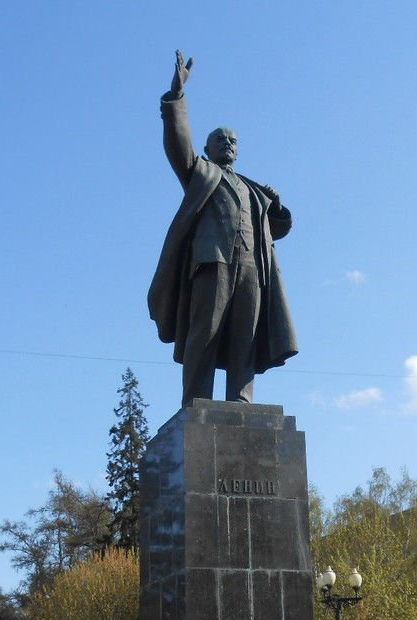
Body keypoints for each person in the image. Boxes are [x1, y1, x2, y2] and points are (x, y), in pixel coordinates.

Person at [149, 51, 298, 407]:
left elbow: (277, 228)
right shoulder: (201, 173)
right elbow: (177, 145)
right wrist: (177, 96)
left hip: (252, 268)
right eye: (220, 140)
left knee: (245, 334)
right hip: (211, 262)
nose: (228, 144)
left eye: (233, 141)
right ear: (207, 148)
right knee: (206, 333)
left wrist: (275, 206)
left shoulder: (253, 188)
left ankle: (241, 399)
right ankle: (197, 400)